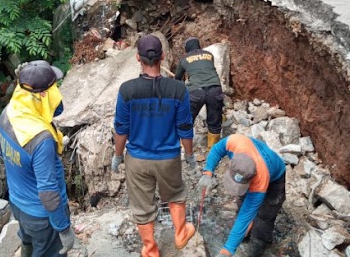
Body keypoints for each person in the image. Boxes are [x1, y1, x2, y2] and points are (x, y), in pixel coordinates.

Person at [112, 34, 197, 257]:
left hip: (137, 159)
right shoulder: (178, 90)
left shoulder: (127, 90)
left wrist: (117, 155)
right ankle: (180, 234)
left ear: (138, 58)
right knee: (176, 194)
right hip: (168, 157)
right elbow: (185, 127)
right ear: (163, 57)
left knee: (142, 206)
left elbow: (121, 128)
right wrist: (189, 155)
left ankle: (150, 249)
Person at [0, 61, 77, 257]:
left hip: (18, 203)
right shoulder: (42, 141)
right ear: (43, 94)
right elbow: (48, 192)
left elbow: (53, 111)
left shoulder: (9, 112)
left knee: (30, 245)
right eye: (54, 86)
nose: (57, 90)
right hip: (42, 217)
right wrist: (63, 229)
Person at [199, 134, 286, 257]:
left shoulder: (260, 180)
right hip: (258, 164)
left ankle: (259, 245)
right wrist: (208, 171)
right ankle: (243, 235)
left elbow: (246, 215)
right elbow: (216, 150)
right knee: (242, 201)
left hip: (276, 178)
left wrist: (228, 250)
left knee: (264, 216)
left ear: (251, 179)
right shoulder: (235, 141)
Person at [174, 37, 224, 150]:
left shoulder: (184, 59)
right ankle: (212, 149)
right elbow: (206, 70)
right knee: (214, 120)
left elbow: (177, 79)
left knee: (187, 119)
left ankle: (185, 147)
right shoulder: (209, 55)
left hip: (196, 92)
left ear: (187, 48)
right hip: (215, 89)